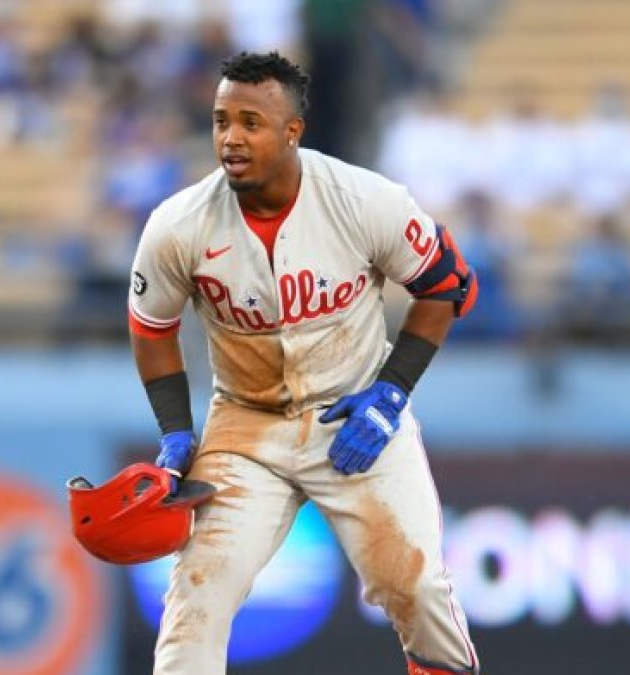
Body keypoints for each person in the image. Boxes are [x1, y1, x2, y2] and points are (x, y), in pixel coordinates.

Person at [127, 52, 480, 674]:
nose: (231, 137)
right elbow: (151, 328)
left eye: (250, 122)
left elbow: (447, 287)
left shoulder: (364, 199)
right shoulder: (178, 224)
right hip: (245, 427)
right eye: (220, 121)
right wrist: (176, 431)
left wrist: (392, 392)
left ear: (293, 131)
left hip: (358, 417)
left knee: (418, 589)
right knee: (195, 597)